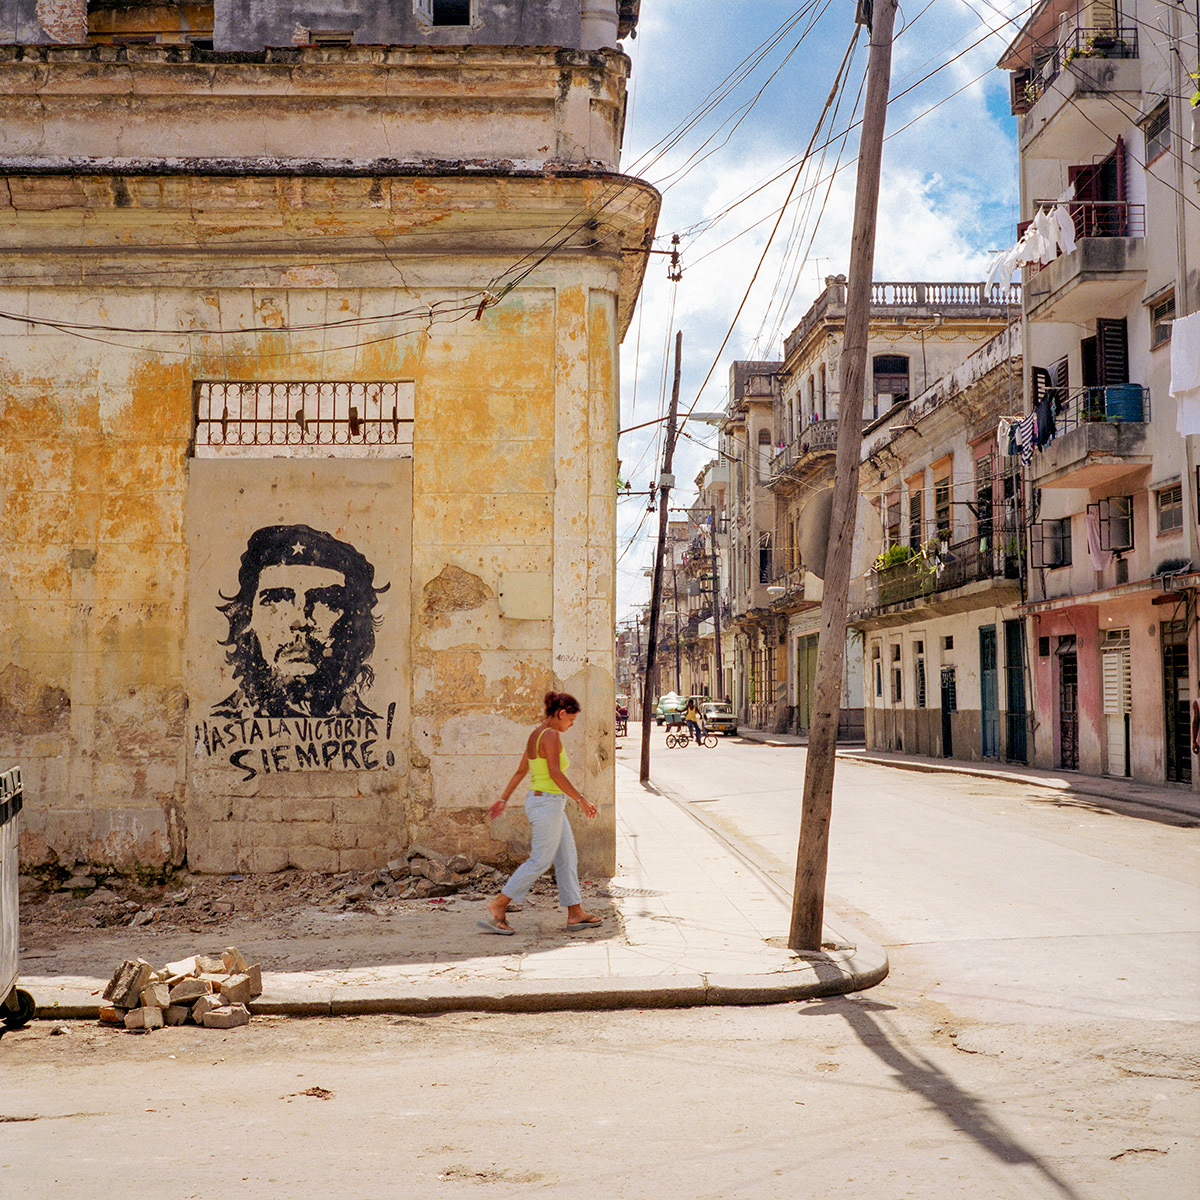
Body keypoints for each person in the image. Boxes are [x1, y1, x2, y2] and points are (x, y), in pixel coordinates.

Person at [212, 524, 387, 718]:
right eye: (277, 599)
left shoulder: (372, 726)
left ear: (352, 620)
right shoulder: (220, 723)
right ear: (248, 618)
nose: (299, 622)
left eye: (324, 600)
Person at [479, 692, 602, 935]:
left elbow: (520, 771)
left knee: (567, 857)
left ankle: (575, 913)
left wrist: (503, 799)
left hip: (546, 803)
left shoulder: (536, 734)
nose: (571, 725)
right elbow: (556, 774)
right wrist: (581, 799)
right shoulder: (552, 735)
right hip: (547, 804)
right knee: (540, 860)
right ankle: (499, 904)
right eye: (571, 720)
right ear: (561, 714)